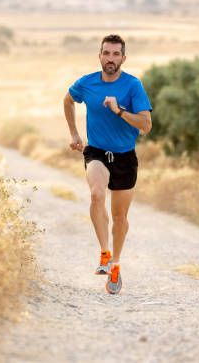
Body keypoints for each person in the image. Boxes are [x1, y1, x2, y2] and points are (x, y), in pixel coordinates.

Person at [63, 34, 152, 294]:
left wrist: (120, 111)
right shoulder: (87, 83)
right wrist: (74, 133)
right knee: (96, 194)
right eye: (106, 53)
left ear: (123, 58)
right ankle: (104, 254)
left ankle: (116, 265)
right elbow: (68, 100)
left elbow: (146, 126)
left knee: (120, 217)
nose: (110, 58)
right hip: (97, 152)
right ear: (99, 56)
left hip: (125, 156)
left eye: (115, 54)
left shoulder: (133, 86)